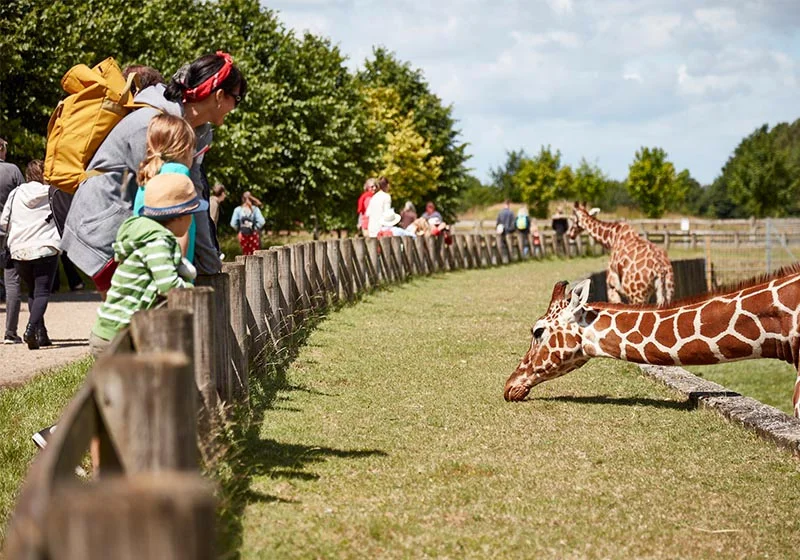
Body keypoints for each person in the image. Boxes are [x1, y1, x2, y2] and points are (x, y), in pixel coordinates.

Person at [61, 51, 247, 293]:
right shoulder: (150, 122)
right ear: (219, 96)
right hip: (105, 227)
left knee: (142, 319)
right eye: (238, 98)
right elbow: (160, 200)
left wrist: (208, 259)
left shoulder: (199, 131)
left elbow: (193, 196)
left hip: (133, 228)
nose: (236, 106)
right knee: (135, 316)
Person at [89, 173, 203, 357]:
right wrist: (189, 288)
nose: (191, 221)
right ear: (179, 216)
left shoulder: (147, 235)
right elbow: (168, 285)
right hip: (118, 335)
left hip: (111, 331)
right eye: (191, 215)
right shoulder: (158, 241)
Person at [0, 160, 61, 350]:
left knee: (33, 291)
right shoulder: (52, 192)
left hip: (19, 250)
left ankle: (40, 336)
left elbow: (4, 222)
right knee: (42, 292)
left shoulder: (16, 193)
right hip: (46, 247)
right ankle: (31, 328)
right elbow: (62, 216)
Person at [133, 113, 197, 261]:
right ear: (187, 149)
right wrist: (178, 273)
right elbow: (180, 230)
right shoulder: (178, 172)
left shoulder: (149, 172)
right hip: (169, 270)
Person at [0, 137, 24, 311]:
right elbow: (24, 196)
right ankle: (10, 331)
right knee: (12, 281)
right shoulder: (13, 170)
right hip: (8, 231)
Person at [230, 191, 265, 255]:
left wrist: (239, 230)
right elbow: (262, 221)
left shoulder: (238, 210)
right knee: (255, 254)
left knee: (245, 254)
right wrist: (255, 228)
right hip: (253, 234)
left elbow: (233, 223)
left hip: (242, 235)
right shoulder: (255, 209)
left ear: (242, 199)